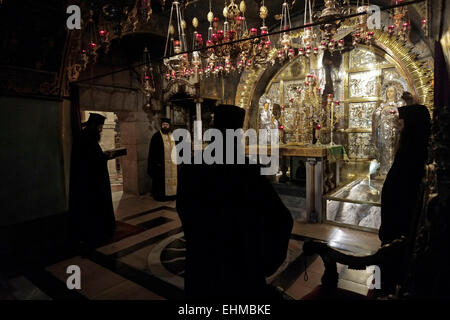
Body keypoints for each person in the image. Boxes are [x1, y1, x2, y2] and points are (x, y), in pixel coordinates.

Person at [176, 104, 293, 300]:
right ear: (237, 136)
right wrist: (264, 263)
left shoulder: (191, 166)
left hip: (202, 264)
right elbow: (282, 220)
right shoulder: (248, 171)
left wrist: (199, 239)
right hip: (241, 266)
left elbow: (183, 208)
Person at [378, 98, 431, 294]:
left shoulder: (412, 160)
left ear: (412, 127)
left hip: (398, 243)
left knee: (387, 284)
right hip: (395, 238)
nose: (398, 130)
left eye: (401, 125)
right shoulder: (413, 155)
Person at [69, 113, 116, 247]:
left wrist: (102, 156)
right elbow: (90, 161)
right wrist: (106, 156)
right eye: (100, 127)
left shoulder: (85, 137)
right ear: (94, 126)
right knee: (94, 207)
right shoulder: (86, 138)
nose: (101, 130)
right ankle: (97, 233)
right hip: (91, 183)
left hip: (91, 180)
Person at [372, 86, 405, 176]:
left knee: (395, 148)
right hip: (384, 130)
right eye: (388, 92)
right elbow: (376, 114)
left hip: (396, 129)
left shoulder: (400, 103)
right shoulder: (383, 104)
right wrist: (383, 110)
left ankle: (396, 169)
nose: (389, 93)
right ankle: (385, 168)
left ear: (395, 92)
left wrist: (395, 112)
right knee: (385, 149)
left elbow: (403, 114)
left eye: (391, 91)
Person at [147, 117, 177, 201]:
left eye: (167, 125)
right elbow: (152, 152)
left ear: (169, 126)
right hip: (160, 166)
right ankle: (161, 196)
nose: (165, 126)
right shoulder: (156, 136)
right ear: (161, 125)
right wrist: (155, 164)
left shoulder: (173, 136)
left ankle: (173, 195)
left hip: (173, 164)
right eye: (163, 125)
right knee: (160, 182)